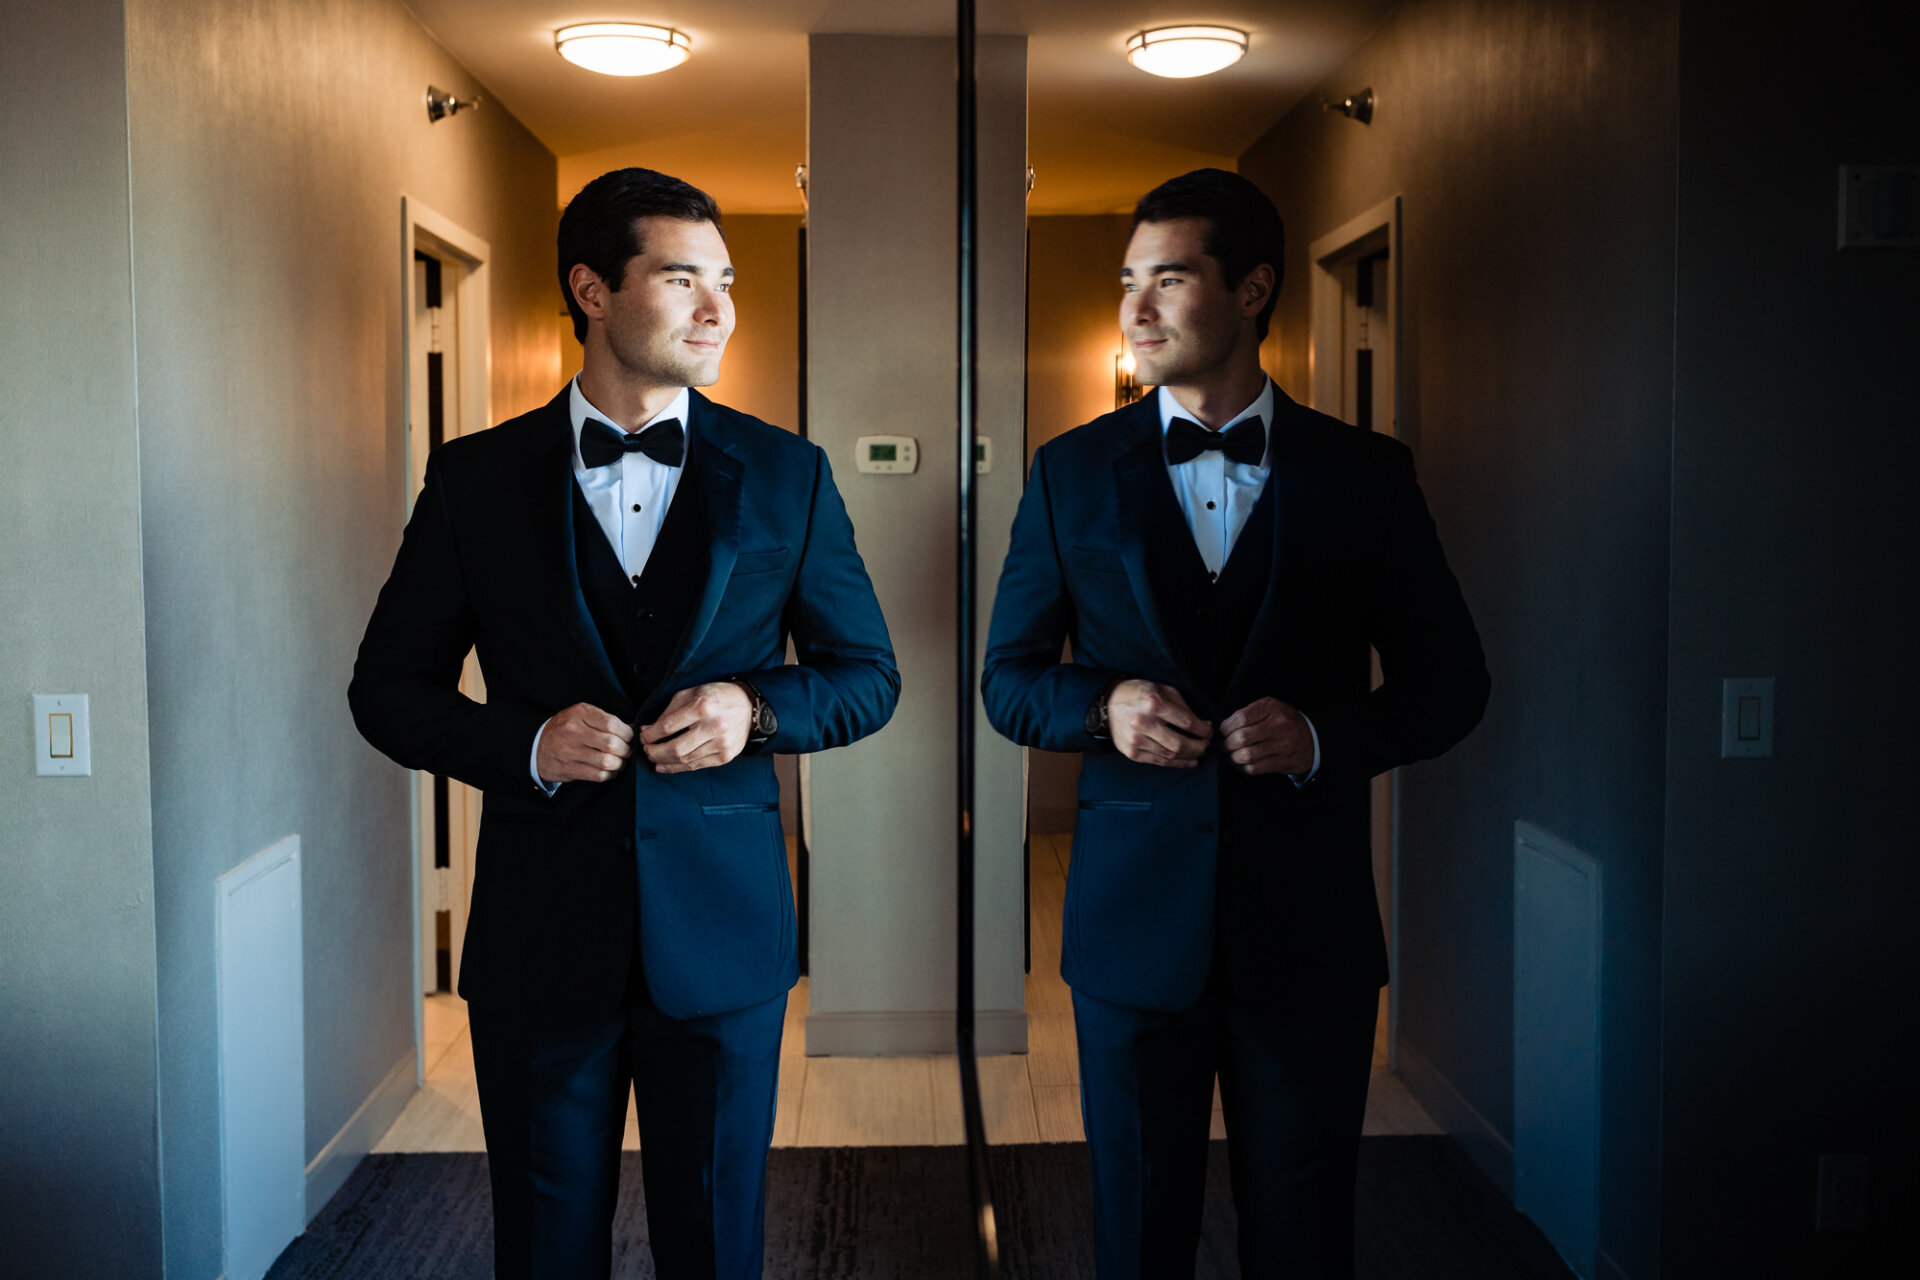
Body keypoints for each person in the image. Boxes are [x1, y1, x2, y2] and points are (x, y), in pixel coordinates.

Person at [348, 167, 897, 1280]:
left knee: (715, 1241)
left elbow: (865, 675)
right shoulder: (474, 479)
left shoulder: (788, 475)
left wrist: (754, 707)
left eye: (726, 282)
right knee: (546, 1246)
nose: (718, 310)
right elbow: (387, 687)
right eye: (684, 277)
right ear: (592, 289)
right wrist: (526, 746)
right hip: (541, 940)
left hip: (726, 940)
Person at [982, 168, 1489, 1278]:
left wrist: (1322, 738)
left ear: (1255, 288)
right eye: (1129, 281)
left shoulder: (1365, 476)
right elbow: (1009, 679)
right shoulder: (1069, 472)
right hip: (1128, 935)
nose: (1136, 309)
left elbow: (1451, 684)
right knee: (1139, 1231)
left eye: (1170, 276)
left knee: (1305, 1234)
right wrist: (1105, 705)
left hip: (1307, 932)